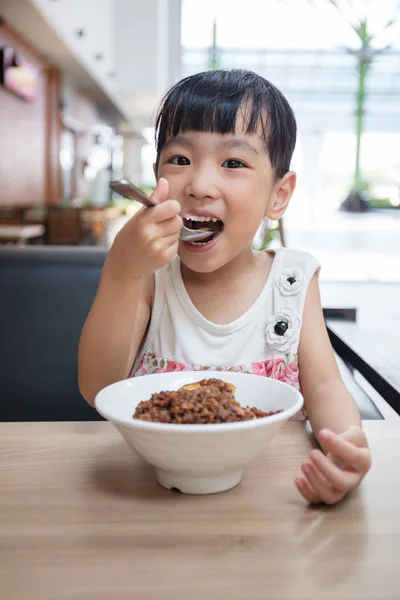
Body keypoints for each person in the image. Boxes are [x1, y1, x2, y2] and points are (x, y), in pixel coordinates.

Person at [78, 69, 371, 505]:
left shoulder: (292, 281)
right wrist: (121, 273)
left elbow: (325, 387)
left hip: (269, 495)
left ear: (279, 194)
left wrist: (344, 445)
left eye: (233, 163)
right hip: (148, 497)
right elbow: (98, 386)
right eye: (180, 159)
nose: (199, 185)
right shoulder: (148, 277)